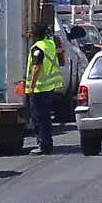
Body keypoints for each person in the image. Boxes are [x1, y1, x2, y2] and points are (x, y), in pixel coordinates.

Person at [25, 22, 63, 156]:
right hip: (49, 88)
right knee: (46, 118)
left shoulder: (37, 49)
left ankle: (43, 144)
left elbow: (36, 68)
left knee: (38, 118)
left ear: (35, 35)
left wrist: (31, 87)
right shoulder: (50, 44)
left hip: (40, 90)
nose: (29, 35)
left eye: (30, 33)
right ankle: (47, 144)